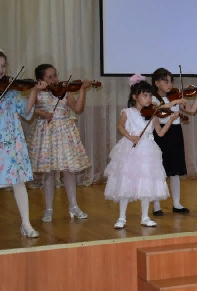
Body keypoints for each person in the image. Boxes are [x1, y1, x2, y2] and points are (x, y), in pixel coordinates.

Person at [104, 75, 175, 229]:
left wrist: (170, 120)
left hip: (148, 149)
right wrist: (130, 136)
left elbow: (160, 133)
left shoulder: (153, 114)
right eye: (144, 95)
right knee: (125, 181)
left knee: (146, 182)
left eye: (149, 95)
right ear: (135, 97)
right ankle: (122, 217)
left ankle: (145, 216)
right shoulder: (128, 112)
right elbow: (120, 126)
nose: (148, 99)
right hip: (130, 148)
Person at [28, 64, 93, 222]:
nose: (55, 79)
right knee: (48, 172)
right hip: (47, 134)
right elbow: (28, 109)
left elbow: (77, 108)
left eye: (55, 75)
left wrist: (82, 90)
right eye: (50, 77)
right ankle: (48, 209)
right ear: (40, 79)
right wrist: (40, 112)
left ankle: (74, 206)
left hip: (65, 132)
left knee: (69, 171)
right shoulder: (37, 92)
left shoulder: (64, 91)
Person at [0, 50, 48, 238]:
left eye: (3, 66)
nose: (1, 71)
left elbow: (26, 112)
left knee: (19, 183)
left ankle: (26, 224)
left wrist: (34, 92)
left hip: (11, 143)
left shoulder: (11, 91)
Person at [150, 68, 197, 215]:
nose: (169, 85)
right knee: (159, 170)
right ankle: (156, 205)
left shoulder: (175, 95)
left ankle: (176, 203)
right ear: (156, 83)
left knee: (175, 170)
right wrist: (174, 101)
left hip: (175, 133)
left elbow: (192, 110)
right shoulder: (152, 98)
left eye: (171, 81)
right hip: (160, 133)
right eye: (166, 81)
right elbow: (157, 109)